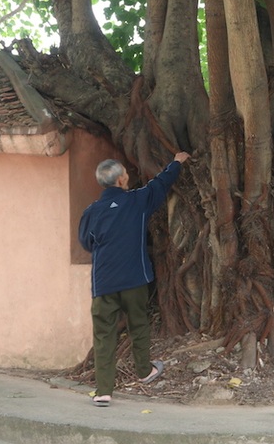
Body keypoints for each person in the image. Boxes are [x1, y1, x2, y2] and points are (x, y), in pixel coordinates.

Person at [78, 151, 190, 407]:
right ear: (120, 180)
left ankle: (103, 391)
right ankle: (145, 371)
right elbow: (160, 184)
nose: (128, 177)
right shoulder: (137, 201)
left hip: (104, 283)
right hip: (134, 279)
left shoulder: (91, 212)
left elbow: (86, 243)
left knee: (104, 335)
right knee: (138, 324)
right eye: (125, 174)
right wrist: (176, 162)